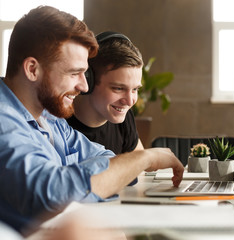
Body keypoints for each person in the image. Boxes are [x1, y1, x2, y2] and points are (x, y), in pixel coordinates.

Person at [0, 6, 184, 234]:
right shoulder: (4, 121)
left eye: (84, 73)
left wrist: (88, 179)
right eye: (73, 73)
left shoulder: (49, 118)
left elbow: (104, 157)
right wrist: (145, 158)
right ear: (32, 69)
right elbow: (52, 194)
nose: (84, 86)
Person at [67, 31, 144, 186]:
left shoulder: (121, 114)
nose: (129, 101)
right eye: (118, 88)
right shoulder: (59, 122)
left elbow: (140, 166)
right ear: (88, 80)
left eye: (135, 89)